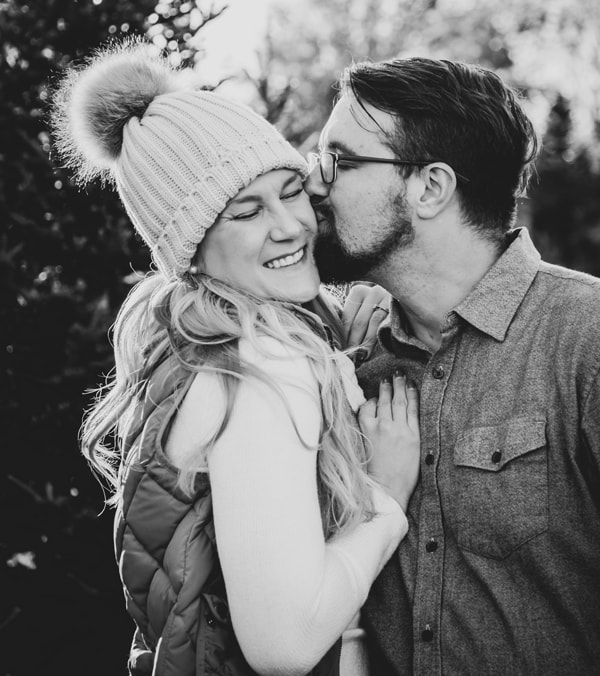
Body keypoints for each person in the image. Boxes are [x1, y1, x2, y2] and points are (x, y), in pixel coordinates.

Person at [50, 40, 420, 676]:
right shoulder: (258, 366)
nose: (291, 226)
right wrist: (386, 498)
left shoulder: (188, 347)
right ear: (189, 246)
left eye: (291, 192)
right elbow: (284, 646)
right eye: (247, 212)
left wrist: (347, 356)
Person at [305, 56, 600, 676]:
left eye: (340, 160)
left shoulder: (586, 337)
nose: (314, 184)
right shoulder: (352, 369)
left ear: (430, 187)